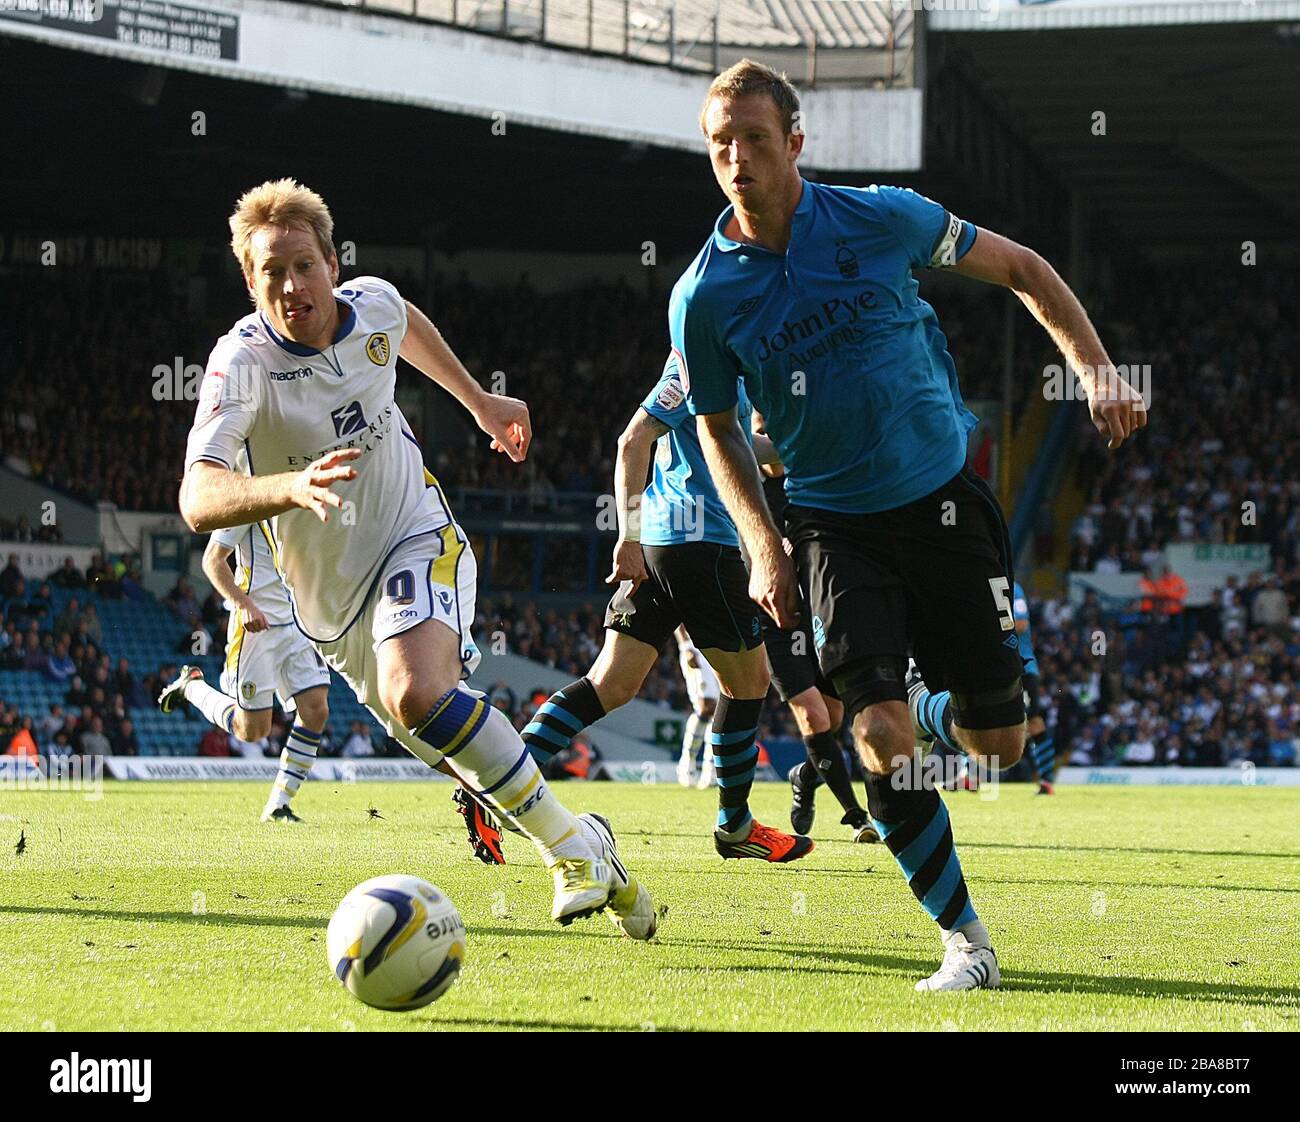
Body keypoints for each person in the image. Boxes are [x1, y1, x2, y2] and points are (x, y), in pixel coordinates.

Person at [674, 60, 1146, 990]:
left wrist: (1095, 369)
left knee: (996, 748)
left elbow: (1023, 269)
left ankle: (946, 704)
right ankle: (966, 940)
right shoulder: (702, 295)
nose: (737, 160)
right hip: (831, 527)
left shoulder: (881, 217)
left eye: (755, 140)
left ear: (796, 142)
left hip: (943, 504)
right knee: (878, 735)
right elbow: (716, 427)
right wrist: (764, 541)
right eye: (720, 144)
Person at [177, 177, 651, 936]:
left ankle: (569, 853)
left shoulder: (375, 305)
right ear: (250, 280)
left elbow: (407, 327)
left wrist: (478, 402)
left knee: (417, 691)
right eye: (272, 272)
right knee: (441, 738)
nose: (292, 286)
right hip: (330, 606)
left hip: (412, 531)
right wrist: (288, 485)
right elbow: (197, 498)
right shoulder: (241, 366)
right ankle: (589, 843)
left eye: (305, 265)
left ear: (333, 263)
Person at [521, 352, 811, 862]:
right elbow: (632, 441)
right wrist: (625, 537)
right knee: (748, 683)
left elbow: (739, 445)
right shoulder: (692, 366)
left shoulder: (727, 377)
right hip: (698, 545)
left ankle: (500, 785)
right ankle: (735, 825)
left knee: (609, 686)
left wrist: (797, 448)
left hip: (667, 545)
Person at [158, 521, 333, 823]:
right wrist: (243, 604)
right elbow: (212, 560)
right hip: (257, 627)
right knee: (252, 731)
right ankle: (192, 687)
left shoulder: (303, 497)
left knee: (316, 710)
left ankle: (279, 803)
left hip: (299, 623)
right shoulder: (249, 503)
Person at [674, 625, 720, 788]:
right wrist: (685, 646)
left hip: (719, 647)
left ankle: (711, 770)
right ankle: (687, 766)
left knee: (720, 710)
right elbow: (677, 612)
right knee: (705, 707)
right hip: (696, 648)